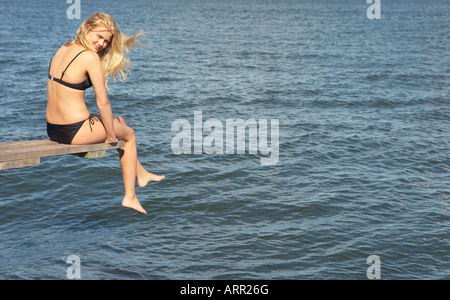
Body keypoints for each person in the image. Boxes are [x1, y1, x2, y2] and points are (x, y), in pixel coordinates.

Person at [46, 12, 164, 214]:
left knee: (119, 122)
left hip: (53, 129)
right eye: (99, 36)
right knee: (129, 135)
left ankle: (141, 173)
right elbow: (103, 103)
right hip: (74, 131)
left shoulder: (64, 48)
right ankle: (130, 196)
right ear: (87, 28)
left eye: (106, 41)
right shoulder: (89, 57)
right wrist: (110, 135)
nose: (101, 43)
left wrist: (111, 126)